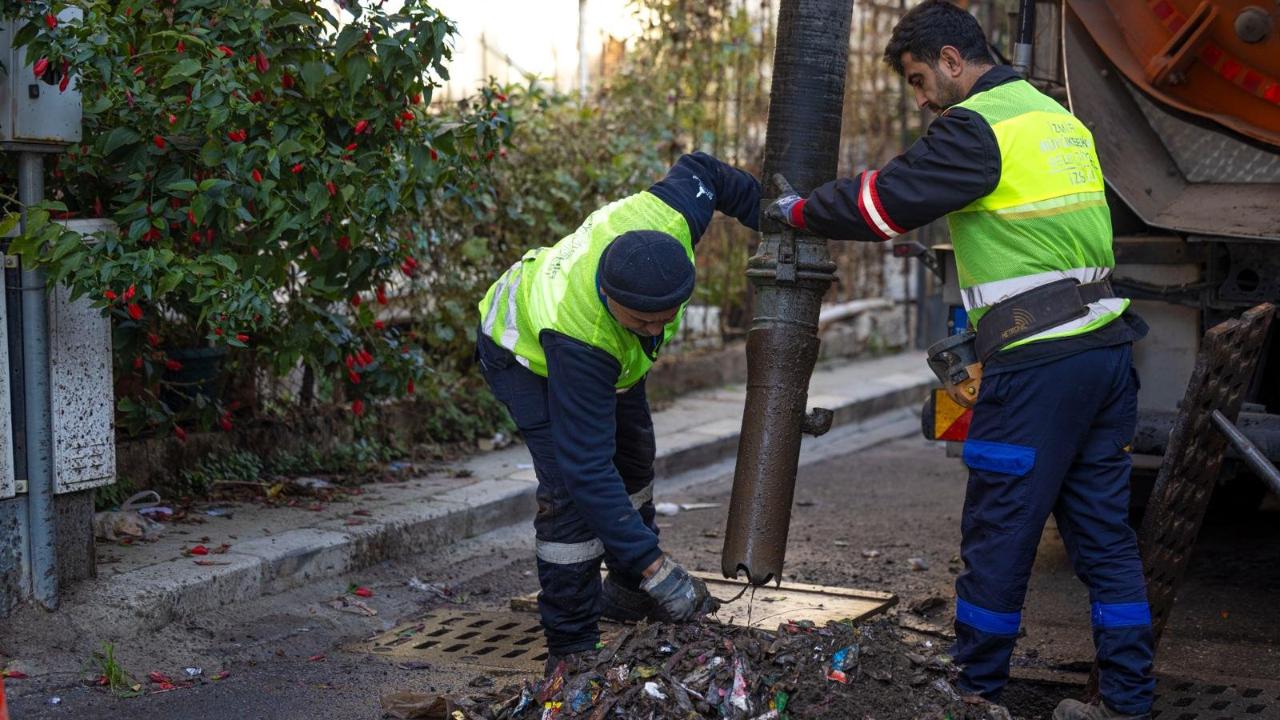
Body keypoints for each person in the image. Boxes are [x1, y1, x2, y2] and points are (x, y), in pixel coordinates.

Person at [765, 3, 1154, 719]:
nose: (920, 99)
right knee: (1104, 539)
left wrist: (794, 211)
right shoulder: (1056, 120)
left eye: (919, 79)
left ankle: (977, 695)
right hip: (1105, 353)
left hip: (1039, 363)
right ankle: (1126, 703)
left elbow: (885, 204)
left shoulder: (979, 127)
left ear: (952, 59)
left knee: (1000, 534)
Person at [475, 152, 761, 671]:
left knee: (633, 459)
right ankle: (572, 646)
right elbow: (586, 467)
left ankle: (627, 592)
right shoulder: (581, 338)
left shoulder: (669, 219)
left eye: (665, 318)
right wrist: (658, 568)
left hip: (614, 359)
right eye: (641, 320)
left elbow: (708, 172)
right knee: (569, 490)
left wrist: (780, 220)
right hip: (524, 354)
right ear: (609, 296)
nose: (655, 330)